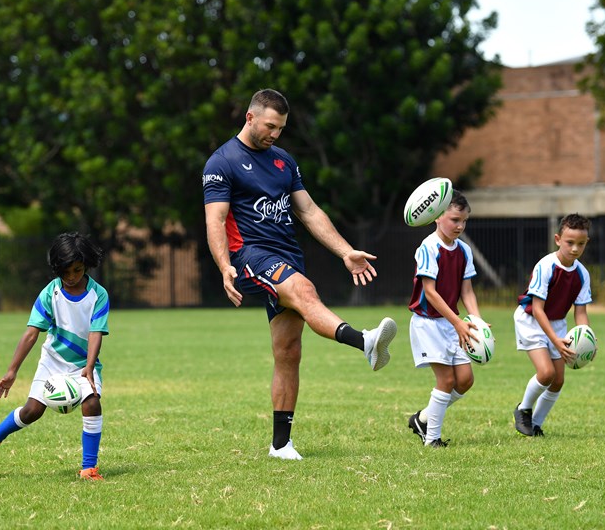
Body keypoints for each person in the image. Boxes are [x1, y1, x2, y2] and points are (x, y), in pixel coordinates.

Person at [202, 88, 397, 461]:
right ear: (250, 117)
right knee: (305, 290)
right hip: (248, 256)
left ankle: (280, 445)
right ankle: (365, 342)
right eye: (270, 126)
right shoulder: (222, 162)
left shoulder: (284, 162)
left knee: (288, 352)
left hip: (286, 255)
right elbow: (216, 219)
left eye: (281, 128)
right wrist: (224, 265)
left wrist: (345, 252)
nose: (275, 134)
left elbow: (308, 211)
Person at [0, 232, 110, 480]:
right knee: (32, 411)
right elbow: (32, 334)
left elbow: (96, 333)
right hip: (52, 362)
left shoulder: (99, 295)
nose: (72, 277)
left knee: (92, 401)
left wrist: (89, 366)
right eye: (66, 271)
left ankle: (89, 468)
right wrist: (12, 371)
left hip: (85, 364)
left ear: (86, 266)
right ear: (57, 268)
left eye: (77, 270)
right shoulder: (49, 294)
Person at [406, 191, 484, 448]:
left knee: (465, 380)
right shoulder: (428, 247)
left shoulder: (464, 250)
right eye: (454, 220)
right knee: (447, 380)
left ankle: (424, 418)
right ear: (437, 217)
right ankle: (432, 439)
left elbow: (467, 291)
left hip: (452, 323)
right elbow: (431, 292)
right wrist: (459, 322)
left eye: (464, 221)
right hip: (428, 323)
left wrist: (476, 321)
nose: (460, 226)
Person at [512, 213, 592, 437]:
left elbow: (581, 313)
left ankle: (535, 425)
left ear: (587, 243)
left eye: (581, 244)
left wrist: (588, 341)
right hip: (531, 321)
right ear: (558, 239)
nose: (575, 249)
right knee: (546, 373)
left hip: (556, 323)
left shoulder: (582, 274)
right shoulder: (546, 266)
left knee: (558, 381)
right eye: (569, 243)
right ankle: (523, 409)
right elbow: (538, 309)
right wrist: (555, 341)